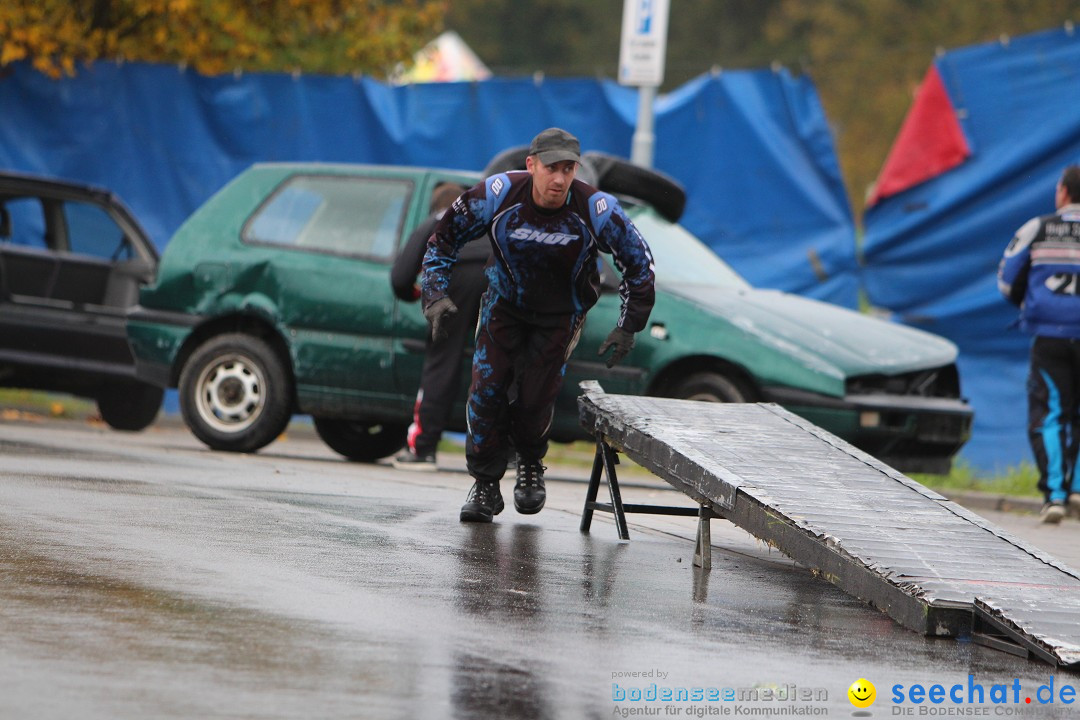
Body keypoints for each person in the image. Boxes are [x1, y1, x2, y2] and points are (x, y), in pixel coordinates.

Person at [421, 127, 656, 523]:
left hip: (560, 315)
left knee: (533, 398)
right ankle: (484, 483)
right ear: (531, 166)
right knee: (486, 392)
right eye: (551, 168)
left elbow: (640, 266)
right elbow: (443, 239)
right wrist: (435, 294)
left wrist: (628, 325)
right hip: (504, 306)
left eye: (568, 169)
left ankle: (530, 463)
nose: (560, 179)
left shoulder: (597, 209)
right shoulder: (497, 193)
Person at [998, 165, 1080, 524]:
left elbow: (1007, 278)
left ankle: (1056, 496)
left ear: (1063, 192)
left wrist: (1030, 308)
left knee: (1049, 414)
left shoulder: (1039, 227)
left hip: (1049, 336)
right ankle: (1077, 489)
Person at [390, 182, 484, 470]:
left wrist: (417, 294)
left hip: (454, 278)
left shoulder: (436, 220)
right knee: (499, 361)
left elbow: (401, 278)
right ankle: (505, 453)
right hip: (496, 275)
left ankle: (422, 449)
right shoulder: (487, 216)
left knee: (442, 361)